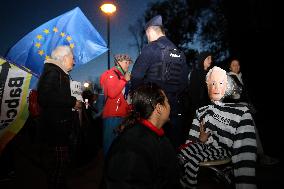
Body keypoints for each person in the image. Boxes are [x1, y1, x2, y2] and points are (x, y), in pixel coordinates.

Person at [178, 66, 257, 189]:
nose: (215, 87)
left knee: (193, 161)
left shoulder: (241, 113)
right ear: (207, 86)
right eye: (212, 83)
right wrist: (200, 140)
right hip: (204, 148)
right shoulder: (201, 111)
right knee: (182, 155)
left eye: (220, 83)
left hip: (224, 152)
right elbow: (191, 141)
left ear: (227, 86)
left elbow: (245, 154)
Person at [104, 83, 181, 189]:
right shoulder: (132, 146)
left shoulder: (157, 136)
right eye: (167, 102)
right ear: (159, 108)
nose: (169, 106)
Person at [131, 15, 189, 149]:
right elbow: (183, 85)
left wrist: (138, 101)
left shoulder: (151, 48)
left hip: (152, 110)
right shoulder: (180, 53)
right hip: (174, 109)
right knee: (173, 149)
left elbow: (136, 77)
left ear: (150, 31)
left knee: (151, 149)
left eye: (147, 35)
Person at [37, 45, 82, 189]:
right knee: (59, 164)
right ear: (64, 58)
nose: (74, 62)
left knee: (61, 164)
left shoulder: (59, 73)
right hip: (56, 128)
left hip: (60, 126)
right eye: (72, 58)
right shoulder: (53, 72)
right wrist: (72, 101)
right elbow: (44, 97)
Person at [225, 58, 279, 166]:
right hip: (237, 109)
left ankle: (252, 158)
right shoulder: (229, 77)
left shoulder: (241, 77)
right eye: (234, 65)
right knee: (250, 132)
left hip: (245, 108)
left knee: (248, 133)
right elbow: (231, 95)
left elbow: (246, 94)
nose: (237, 67)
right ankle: (259, 157)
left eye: (238, 65)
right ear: (230, 67)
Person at [99, 54, 132, 157]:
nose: (128, 65)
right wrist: (124, 80)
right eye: (125, 62)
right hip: (113, 116)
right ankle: (109, 169)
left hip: (123, 115)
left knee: (120, 146)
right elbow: (112, 93)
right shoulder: (110, 74)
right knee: (110, 146)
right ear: (118, 62)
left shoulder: (123, 76)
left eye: (129, 63)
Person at [188, 51, 213, 124]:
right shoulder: (195, 73)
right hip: (200, 110)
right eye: (208, 58)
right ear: (202, 59)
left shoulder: (211, 73)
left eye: (211, 59)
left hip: (211, 109)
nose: (210, 61)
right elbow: (194, 95)